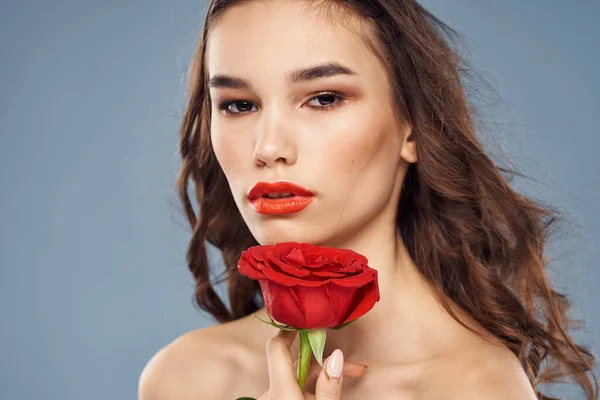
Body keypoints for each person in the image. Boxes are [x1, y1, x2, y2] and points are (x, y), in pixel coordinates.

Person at [138, 0, 598, 399]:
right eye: (239, 105)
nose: (268, 147)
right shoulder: (187, 377)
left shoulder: (476, 389)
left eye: (323, 98)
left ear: (412, 127)